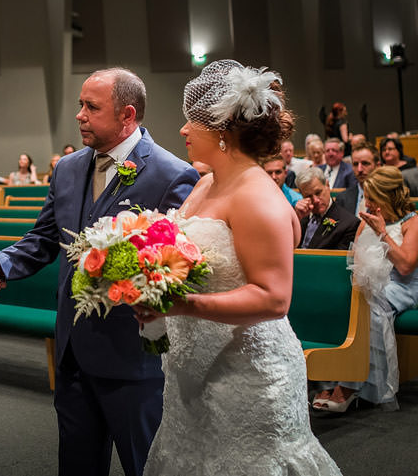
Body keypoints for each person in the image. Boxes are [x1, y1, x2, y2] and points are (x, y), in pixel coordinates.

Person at [0, 67, 199, 476]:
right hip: (72, 353)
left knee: (146, 466)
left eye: (91, 107)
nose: (79, 115)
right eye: (80, 105)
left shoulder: (172, 175)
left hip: (132, 358)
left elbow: (177, 270)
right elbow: (45, 238)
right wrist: (0, 264)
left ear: (127, 115)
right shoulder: (67, 168)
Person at [135, 60, 340, 475]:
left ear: (222, 131)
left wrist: (180, 304)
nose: (183, 130)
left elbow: (274, 297)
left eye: (192, 121)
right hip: (193, 368)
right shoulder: (206, 182)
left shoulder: (256, 196)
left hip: (247, 373)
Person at [313, 167, 418, 412]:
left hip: (403, 286)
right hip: (369, 284)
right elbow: (353, 256)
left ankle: (350, 385)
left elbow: (407, 266)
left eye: (373, 198)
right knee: (342, 305)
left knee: (367, 309)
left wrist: (382, 233)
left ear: (390, 195)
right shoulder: (365, 220)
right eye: (366, 197)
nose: (368, 203)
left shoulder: (414, 223)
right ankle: (332, 375)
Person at [295, 167, 360, 249]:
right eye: (308, 196)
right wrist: (297, 218)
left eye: (318, 193)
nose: (316, 200)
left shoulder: (349, 224)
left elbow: (335, 260)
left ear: (327, 185)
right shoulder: (300, 218)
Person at [336, 143, 381, 216]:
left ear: (377, 166)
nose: (359, 169)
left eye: (365, 163)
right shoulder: (342, 198)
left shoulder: (386, 196)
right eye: (355, 164)